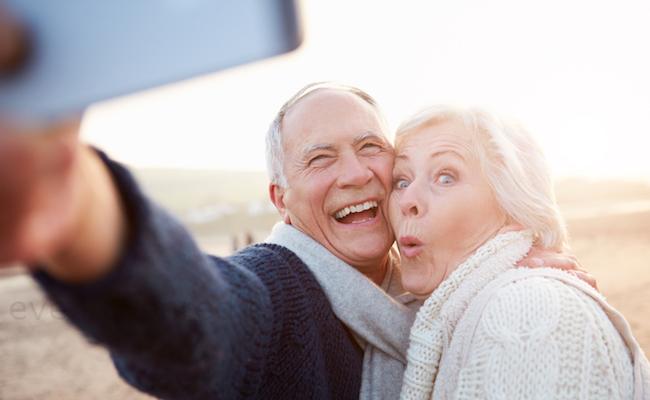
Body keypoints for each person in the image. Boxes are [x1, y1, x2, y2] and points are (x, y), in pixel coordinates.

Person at [0, 82, 592, 399]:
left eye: (370, 148)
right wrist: (75, 203)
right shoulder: (277, 294)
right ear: (281, 200)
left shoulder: (432, 293)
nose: (356, 174)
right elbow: (198, 315)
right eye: (320, 158)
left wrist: (506, 264)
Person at [386, 105, 650, 399]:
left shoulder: (525, 310)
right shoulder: (444, 317)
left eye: (445, 177)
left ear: (513, 203)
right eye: (401, 180)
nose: (407, 199)